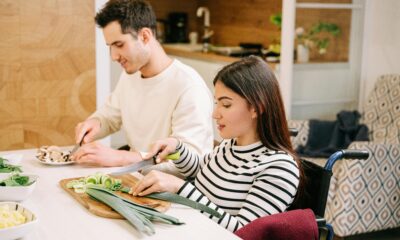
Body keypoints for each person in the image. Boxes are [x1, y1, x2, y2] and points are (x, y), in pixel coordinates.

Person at [132, 56, 304, 232]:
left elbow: (244, 232)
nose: (215, 114)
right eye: (216, 103)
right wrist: (178, 149)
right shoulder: (229, 145)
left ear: (257, 108)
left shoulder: (280, 168)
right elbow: (202, 171)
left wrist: (179, 187)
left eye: (226, 105)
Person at [71, 0, 214, 175]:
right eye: (110, 47)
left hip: (174, 192)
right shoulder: (130, 75)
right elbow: (111, 116)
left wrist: (121, 157)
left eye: (119, 45)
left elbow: (189, 162)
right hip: (135, 180)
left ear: (145, 36)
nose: (114, 56)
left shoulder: (189, 86)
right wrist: (95, 122)